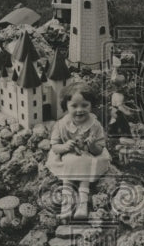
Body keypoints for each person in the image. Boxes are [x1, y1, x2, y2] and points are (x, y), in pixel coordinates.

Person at [46, 82, 111, 220]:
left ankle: (82, 204)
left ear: (91, 105)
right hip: (67, 155)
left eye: (84, 105)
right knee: (69, 167)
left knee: (86, 164)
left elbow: (99, 149)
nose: (79, 110)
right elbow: (55, 146)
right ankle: (66, 204)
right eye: (74, 106)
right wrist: (64, 147)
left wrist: (92, 145)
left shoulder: (95, 125)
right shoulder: (62, 124)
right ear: (66, 107)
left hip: (88, 155)